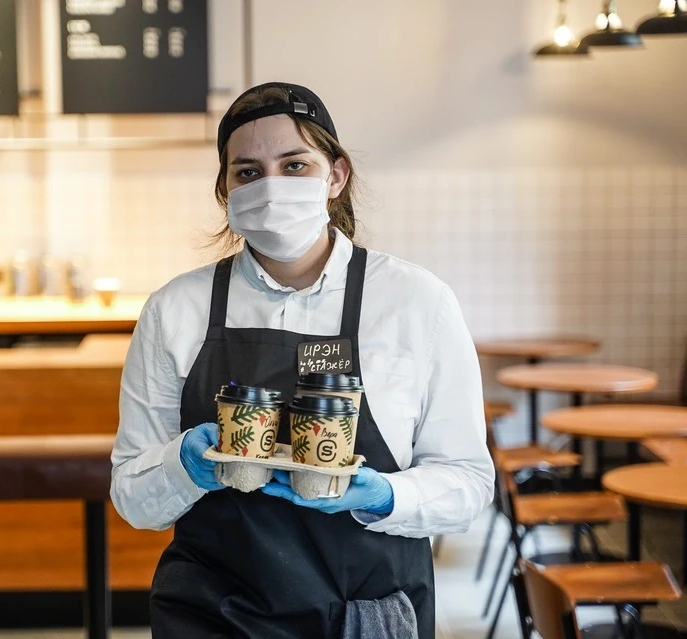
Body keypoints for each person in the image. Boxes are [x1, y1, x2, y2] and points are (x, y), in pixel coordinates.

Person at [110, 82, 494, 639]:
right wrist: (182, 467)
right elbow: (133, 497)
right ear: (224, 190)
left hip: (363, 616)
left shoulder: (416, 303)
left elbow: (468, 485)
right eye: (247, 172)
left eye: (294, 166)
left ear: (335, 176)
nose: (270, 187)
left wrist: (385, 496)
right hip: (213, 616)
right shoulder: (176, 310)